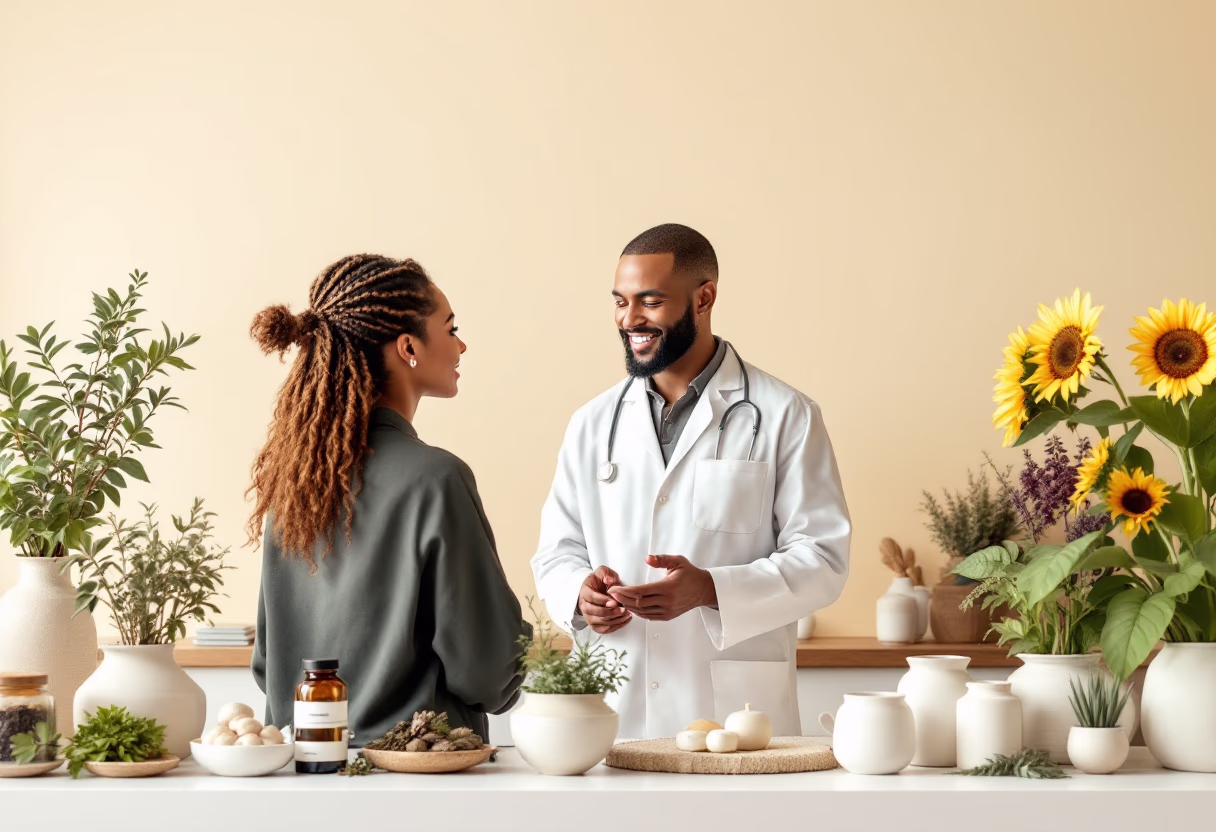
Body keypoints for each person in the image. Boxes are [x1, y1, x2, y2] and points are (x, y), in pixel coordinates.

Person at [531, 224, 851, 739]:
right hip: (616, 708)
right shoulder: (592, 423)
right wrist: (579, 594)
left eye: (650, 302)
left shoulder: (785, 414)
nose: (629, 319)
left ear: (704, 298)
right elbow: (556, 551)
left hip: (734, 716)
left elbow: (823, 560)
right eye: (620, 302)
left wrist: (711, 589)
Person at [248, 253, 529, 745]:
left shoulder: (291, 488)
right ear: (408, 347)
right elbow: (487, 671)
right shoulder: (437, 479)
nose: (461, 345)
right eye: (450, 328)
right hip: (419, 781)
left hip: (303, 778)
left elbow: (269, 666)